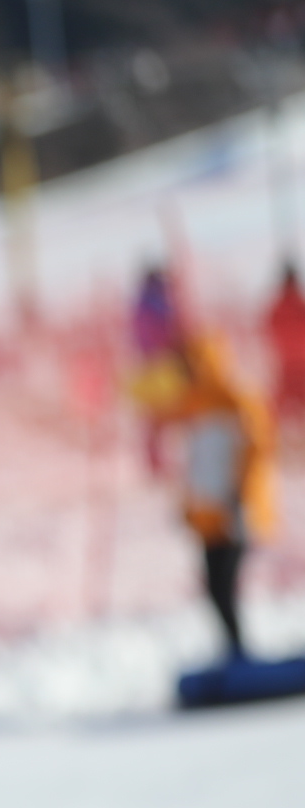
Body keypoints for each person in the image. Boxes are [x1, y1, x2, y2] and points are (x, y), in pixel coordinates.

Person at [130, 270, 279, 661]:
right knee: (213, 587)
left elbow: (255, 452)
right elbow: (194, 466)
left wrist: (243, 499)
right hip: (210, 516)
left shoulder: (235, 400)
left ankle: (240, 651)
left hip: (234, 512)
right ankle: (233, 651)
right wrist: (189, 508)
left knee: (226, 584)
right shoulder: (193, 407)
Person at [264, 263, 305, 434]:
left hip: (286, 363)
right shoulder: (299, 303)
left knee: (277, 411)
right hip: (299, 363)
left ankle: (274, 438)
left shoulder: (278, 305)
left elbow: (268, 328)